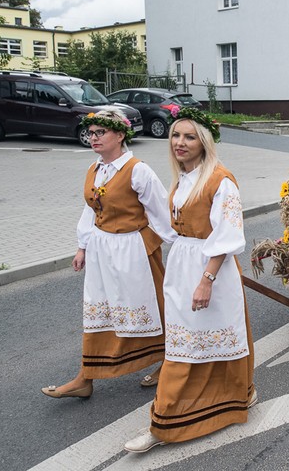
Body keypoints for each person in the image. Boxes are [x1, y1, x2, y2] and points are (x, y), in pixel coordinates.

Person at [124, 108, 255, 452]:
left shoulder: (220, 180)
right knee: (187, 339)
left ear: (204, 142)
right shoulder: (183, 176)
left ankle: (163, 422)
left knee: (203, 341)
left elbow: (227, 235)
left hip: (211, 269)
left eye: (189, 136)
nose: (180, 143)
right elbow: (168, 226)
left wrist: (206, 280)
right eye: (176, 136)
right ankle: (232, 397)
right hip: (183, 265)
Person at [42, 107, 175, 400]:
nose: (93, 138)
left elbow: (162, 212)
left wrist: (182, 251)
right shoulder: (95, 169)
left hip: (134, 250)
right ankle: (85, 378)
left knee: (152, 308)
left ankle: (170, 361)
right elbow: (91, 210)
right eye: (91, 133)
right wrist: (82, 246)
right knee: (99, 310)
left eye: (100, 132)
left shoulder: (138, 170)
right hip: (102, 250)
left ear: (119, 134)